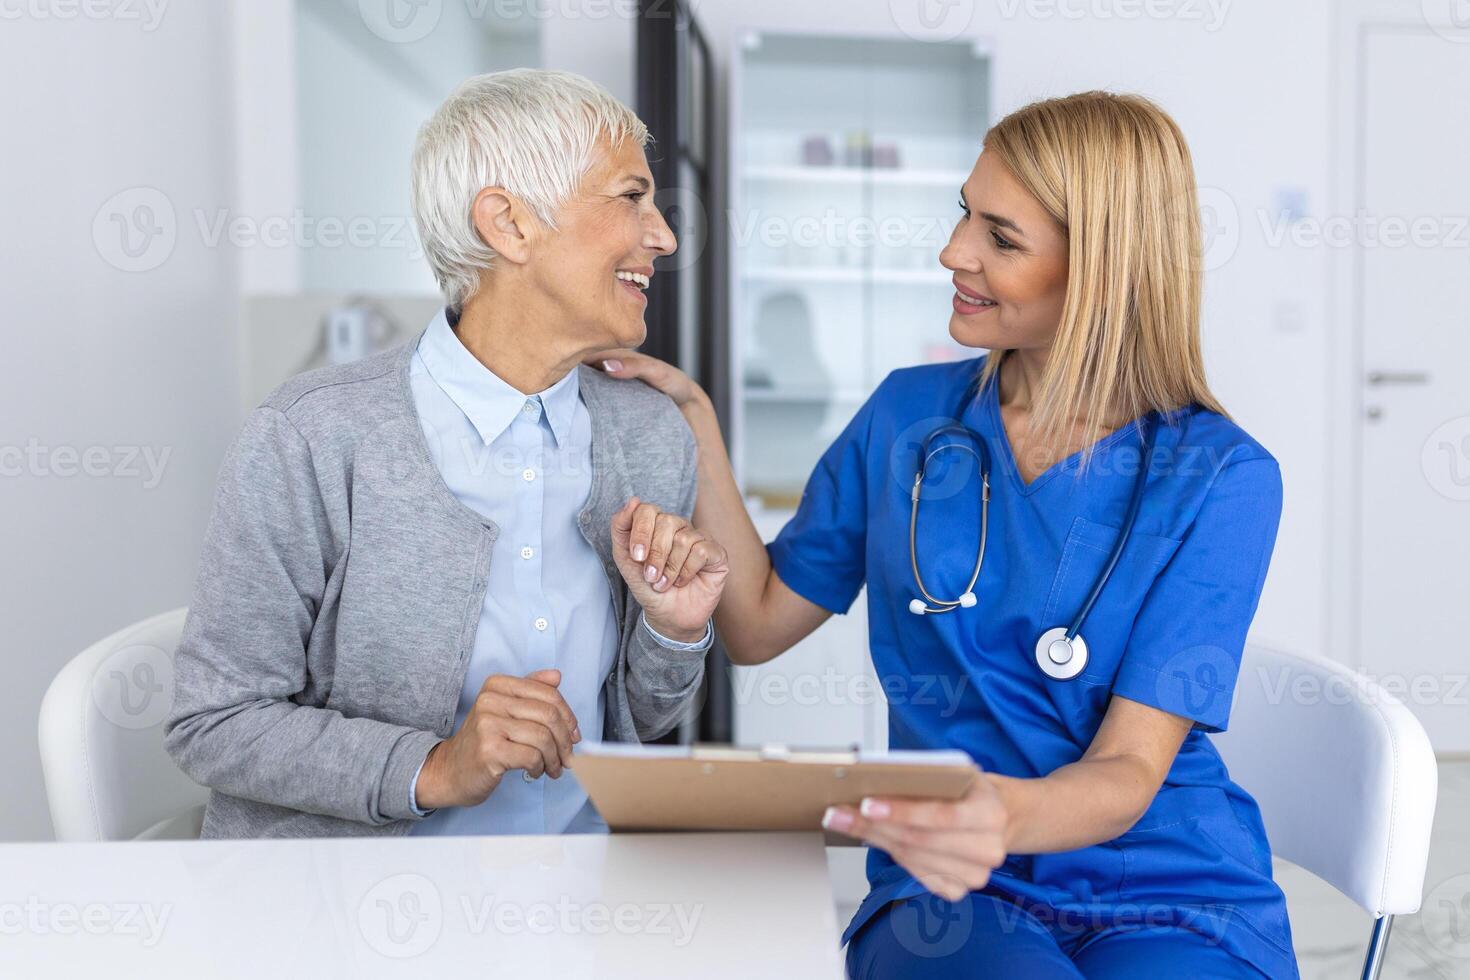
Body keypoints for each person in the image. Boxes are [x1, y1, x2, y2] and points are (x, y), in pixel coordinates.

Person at [590, 92, 1297, 978]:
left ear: (1105, 270)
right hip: (950, 887)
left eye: (1001, 238)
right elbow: (759, 622)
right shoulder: (907, 420)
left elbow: (1125, 770)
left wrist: (992, 811)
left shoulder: (1222, 476)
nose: (953, 250)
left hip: (1166, 886)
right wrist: (694, 420)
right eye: (965, 212)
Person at [166, 69, 726, 839]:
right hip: (348, 922)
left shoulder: (650, 435)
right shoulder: (312, 436)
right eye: (632, 197)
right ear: (509, 223)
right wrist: (434, 767)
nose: (662, 235)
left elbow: (644, 720)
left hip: (579, 897)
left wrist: (674, 629)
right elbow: (215, 721)